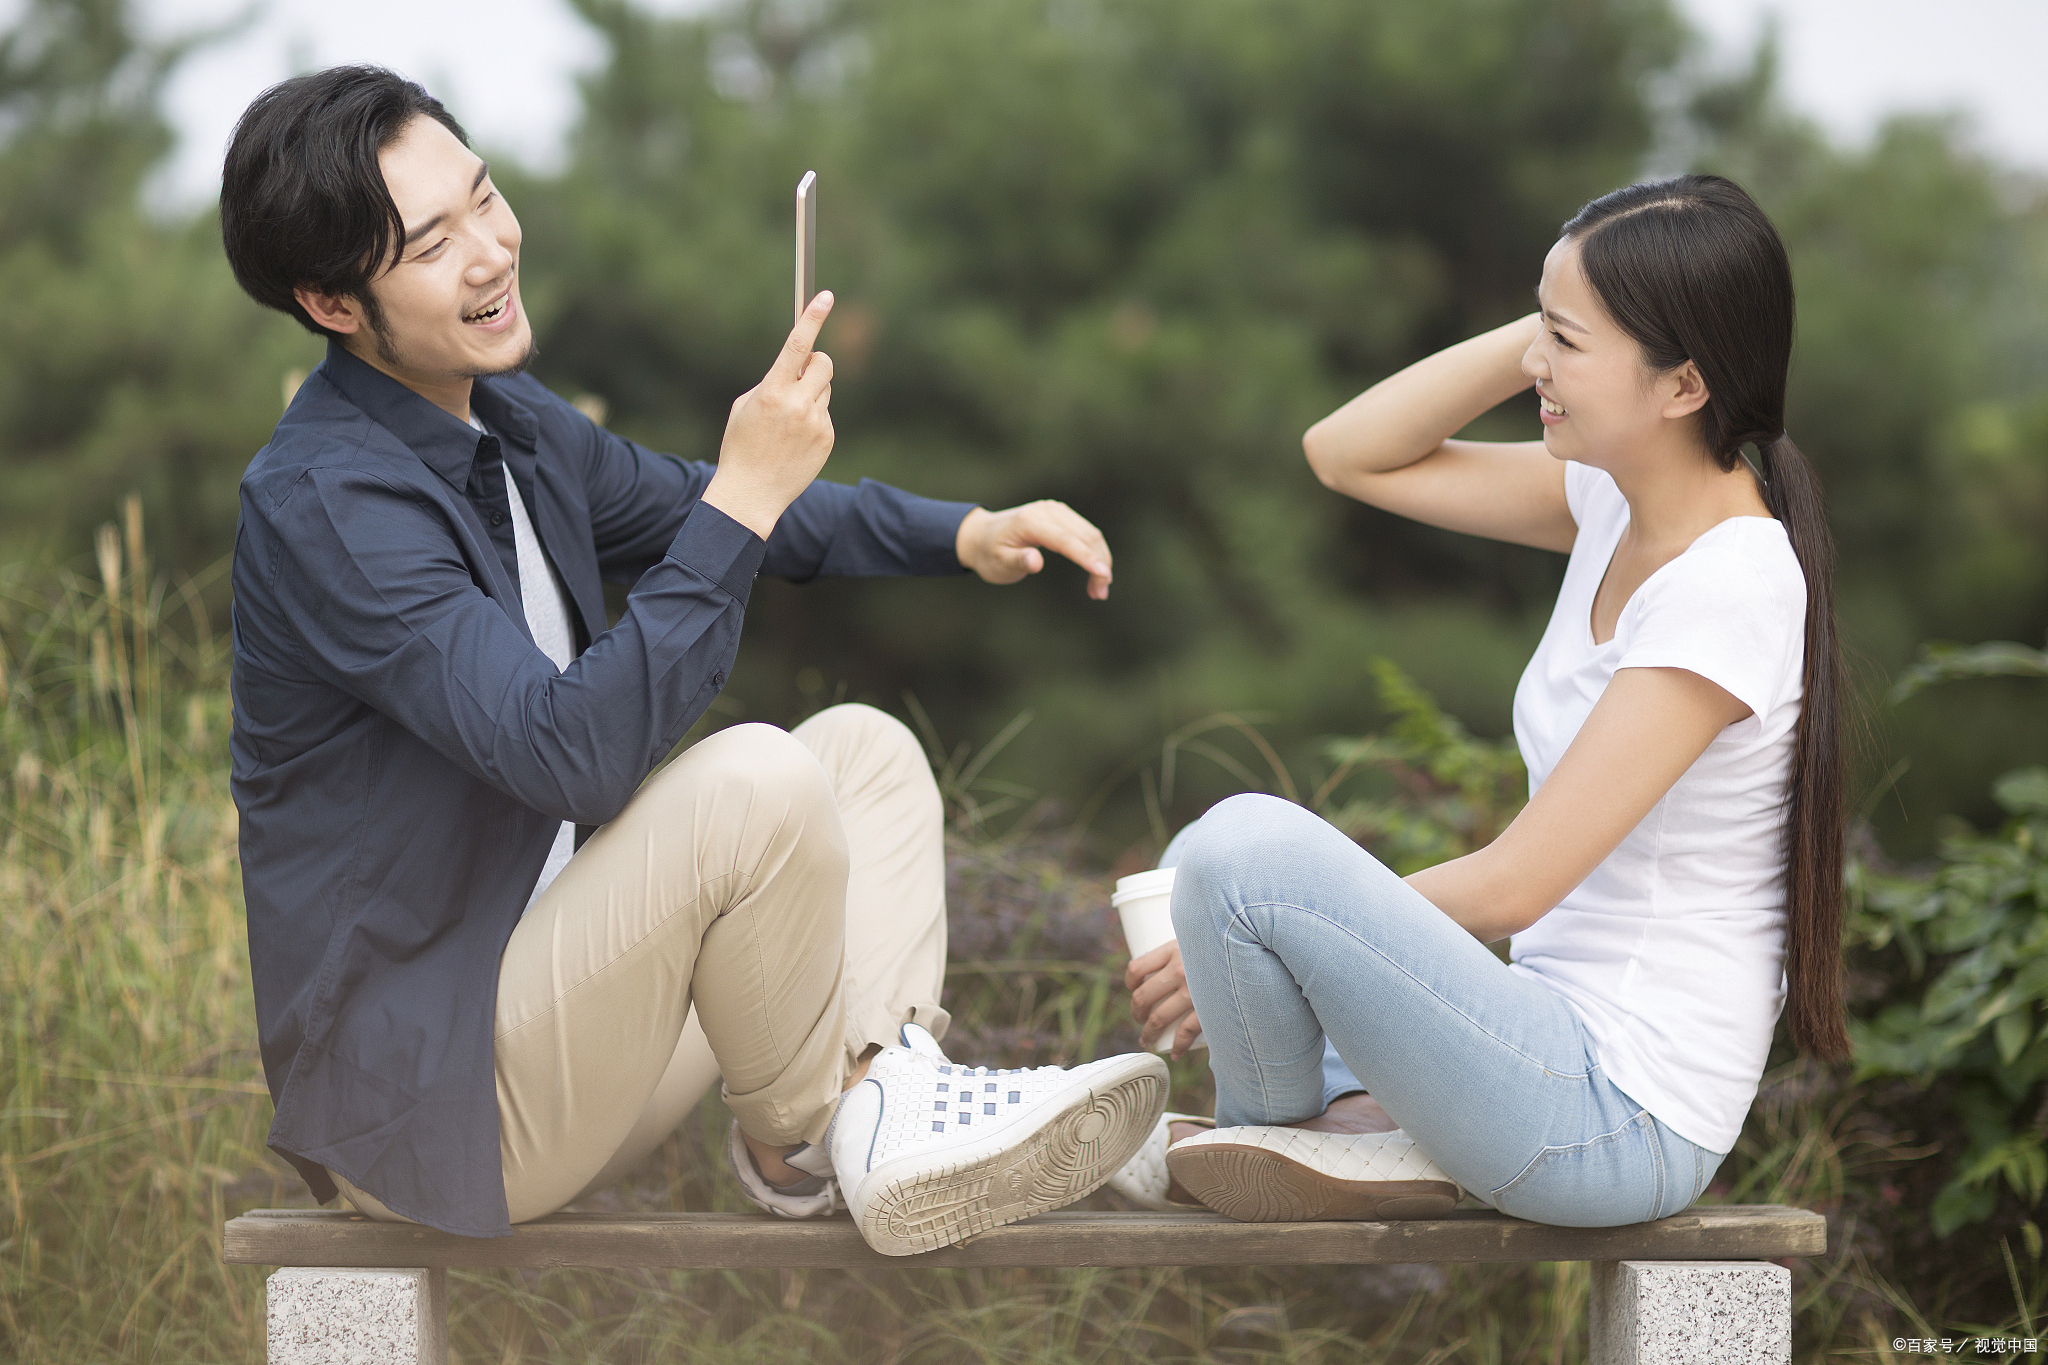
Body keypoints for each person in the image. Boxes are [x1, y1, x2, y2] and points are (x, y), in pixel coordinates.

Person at [219, 66, 1166, 1253]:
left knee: (861, 757)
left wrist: (962, 534)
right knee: (757, 780)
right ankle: (845, 1125)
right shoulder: (329, 503)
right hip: (447, 1115)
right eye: (428, 246)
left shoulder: (508, 423)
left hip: (587, 1036)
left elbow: (703, 506)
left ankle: (851, 1113)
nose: (489, 252)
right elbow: (575, 756)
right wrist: (749, 492)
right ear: (330, 302)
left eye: (485, 198)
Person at [1116, 175, 1847, 1227]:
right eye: (1539, 332)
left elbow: (1516, 887)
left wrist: (1263, 922)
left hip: (1612, 1115)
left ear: (1680, 385)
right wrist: (1570, 309)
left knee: (1239, 856)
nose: (1535, 368)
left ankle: (1298, 1130)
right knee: (1202, 864)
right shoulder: (1609, 495)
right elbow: (1345, 454)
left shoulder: (1728, 584)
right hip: (1532, 1039)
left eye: (1566, 344)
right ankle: (1329, 1133)